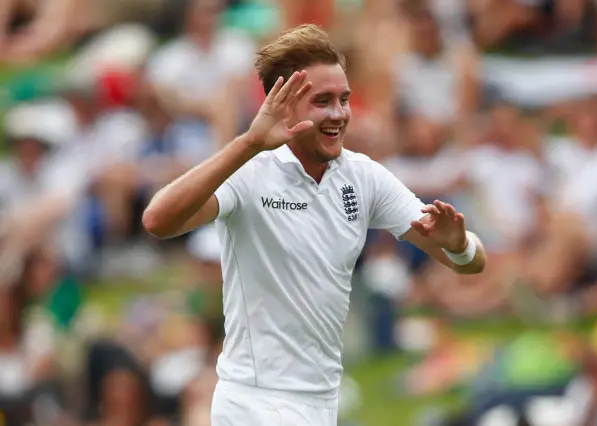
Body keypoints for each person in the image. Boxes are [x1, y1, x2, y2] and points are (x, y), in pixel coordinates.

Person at [142, 24, 487, 426]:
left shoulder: (363, 177)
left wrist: (459, 243)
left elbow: (469, 263)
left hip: (321, 403)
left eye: (344, 99)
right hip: (252, 403)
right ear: (283, 105)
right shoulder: (250, 171)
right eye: (322, 101)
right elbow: (157, 220)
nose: (339, 114)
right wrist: (248, 143)